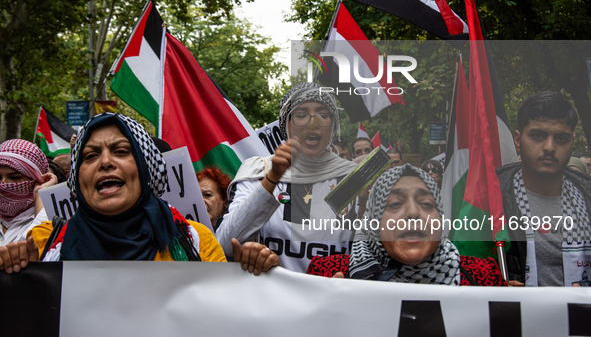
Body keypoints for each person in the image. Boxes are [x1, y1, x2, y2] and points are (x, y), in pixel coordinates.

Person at [0, 113, 277, 275]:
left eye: (121, 151)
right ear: (77, 177)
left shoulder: (196, 242)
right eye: (91, 155)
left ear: (146, 170)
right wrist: (17, 274)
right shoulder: (42, 244)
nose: (105, 162)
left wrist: (249, 276)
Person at [216, 83, 358, 272]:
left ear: (333, 126)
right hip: (271, 298)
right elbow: (227, 243)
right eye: (301, 115)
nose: (312, 123)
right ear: (286, 123)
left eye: (323, 115)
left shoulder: (354, 179)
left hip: (334, 298)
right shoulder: (258, 170)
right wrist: (273, 177)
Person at [307, 165, 507, 286]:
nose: (413, 213)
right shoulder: (326, 275)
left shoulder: (483, 277)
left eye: (427, 204)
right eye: (394, 204)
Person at [497, 91, 591, 286]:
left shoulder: (587, 196)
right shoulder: (491, 197)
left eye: (561, 139)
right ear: (517, 139)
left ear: (572, 141)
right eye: (538, 136)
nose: (549, 147)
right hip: (512, 315)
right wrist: (493, 286)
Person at [0, 139, 57, 246]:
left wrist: (42, 194)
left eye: (14, 177)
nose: (3, 184)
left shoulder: (53, 218)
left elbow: (39, 248)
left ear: (37, 179)